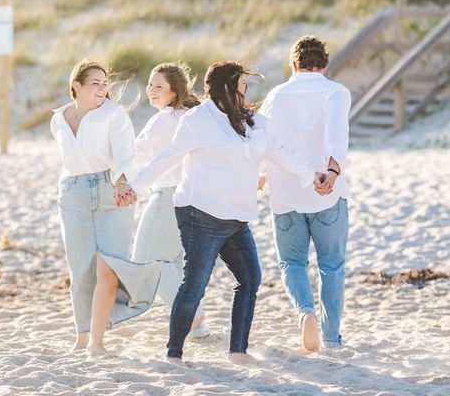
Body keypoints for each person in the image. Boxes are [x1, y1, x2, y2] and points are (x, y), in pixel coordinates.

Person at [128, 61, 325, 362]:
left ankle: (237, 352)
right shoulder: (197, 120)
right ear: (226, 88)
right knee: (194, 283)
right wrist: (135, 185)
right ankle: (174, 353)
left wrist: (312, 176)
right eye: (243, 85)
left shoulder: (254, 123)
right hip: (200, 214)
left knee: (249, 279)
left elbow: (282, 152)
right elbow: (167, 157)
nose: (247, 90)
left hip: (237, 217)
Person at [51, 59, 161, 354]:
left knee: (109, 268)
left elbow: (126, 152)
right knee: (81, 270)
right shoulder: (58, 118)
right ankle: (83, 335)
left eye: (104, 83)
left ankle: (97, 341)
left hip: (112, 192)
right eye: (94, 83)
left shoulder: (114, 114)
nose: (102, 88)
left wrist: (124, 182)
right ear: (77, 87)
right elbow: (68, 161)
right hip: (72, 194)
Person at [259, 36, 351, 352]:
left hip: (285, 194)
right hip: (327, 192)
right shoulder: (336, 92)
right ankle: (331, 338)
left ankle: (305, 314)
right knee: (332, 267)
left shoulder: (275, 94)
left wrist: (258, 174)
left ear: (293, 65)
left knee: (292, 263)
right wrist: (333, 174)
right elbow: (338, 136)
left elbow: (264, 139)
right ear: (324, 65)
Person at [130, 63, 207, 338]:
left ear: (174, 93)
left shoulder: (166, 119)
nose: (151, 91)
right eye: (150, 84)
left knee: (146, 261)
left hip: (166, 196)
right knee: (173, 262)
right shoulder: (192, 115)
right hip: (191, 198)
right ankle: (196, 327)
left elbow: (135, 154)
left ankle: (194, 315)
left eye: (158, 87)